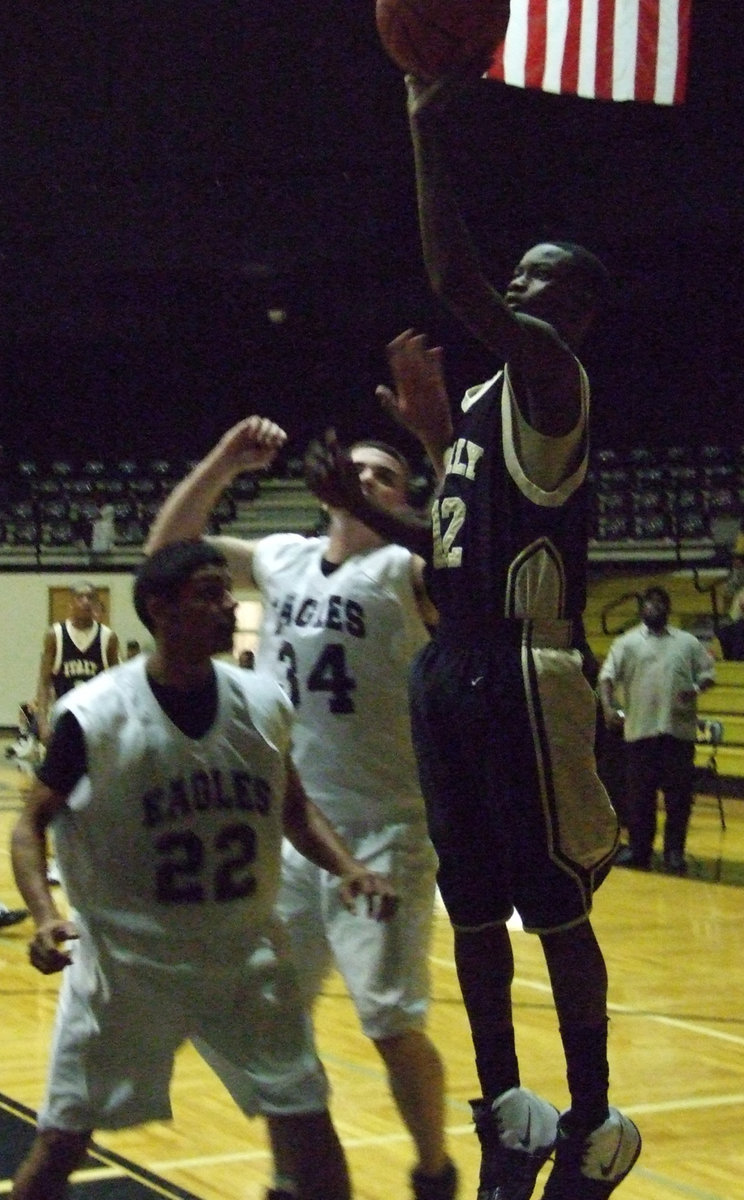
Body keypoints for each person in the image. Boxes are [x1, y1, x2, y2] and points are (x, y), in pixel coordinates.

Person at [302, 71, 642, 1200]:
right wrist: (402, 464)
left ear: (577, 312)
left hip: (525, 666)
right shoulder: (492, 403)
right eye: (522, 278)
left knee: (554, 907)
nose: (519, 289)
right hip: (456, 664)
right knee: (477, 907)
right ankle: (509, 1112)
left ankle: (593, 1116)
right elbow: (447, 545)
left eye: (542, 282)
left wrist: (421, 120)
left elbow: (452, 274)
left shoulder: (552, 374)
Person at [9, 538, 398, 1200]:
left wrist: (348, 868)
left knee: (307, 1120)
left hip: (242, 956)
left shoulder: (263, 703)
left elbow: (296, 814)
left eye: (228, 591)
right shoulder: (95, 714)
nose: (228, 606)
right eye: (209, 594)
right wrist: (46, 918)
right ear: (161, 609)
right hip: (128, 965)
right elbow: (28, 826)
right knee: (61, 1143)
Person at [146, 417, 457, 1200]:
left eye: (383, 475)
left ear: (403, 498)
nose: (364, 481)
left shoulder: (405, 569)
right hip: (285, 829)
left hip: (383, 827)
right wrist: (221, 461)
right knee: (256, 1014)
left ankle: (433, 1168)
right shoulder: (283, 558)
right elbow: (166, 557)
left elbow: (477, 554)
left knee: (388, 1023)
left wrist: (434, 441)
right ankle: (303, 1167)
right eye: (353, 469)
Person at [598, 586, 716, 875]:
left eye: (660, 604)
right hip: (640, 731)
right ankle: (640, 850)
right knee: (640, 798)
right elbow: (606, 677)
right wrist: (608, 707)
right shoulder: (626, 643)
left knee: (678, 798)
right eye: (650, 605)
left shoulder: (687, 642)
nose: (654, 609)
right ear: (641, 610)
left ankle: (674, 851)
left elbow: (708, 674)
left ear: (668, 608)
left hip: (678, 732)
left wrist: (696, 689)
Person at [35, 581, 121, 745]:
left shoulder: (108, 638)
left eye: (90, 597)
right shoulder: (55, 635)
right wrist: (42, 723)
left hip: (97, 722)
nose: (85, 601)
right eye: (80, 597)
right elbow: (44, 682)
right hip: (63, 720)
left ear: (96, 604)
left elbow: (117, 685)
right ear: (70, 603)